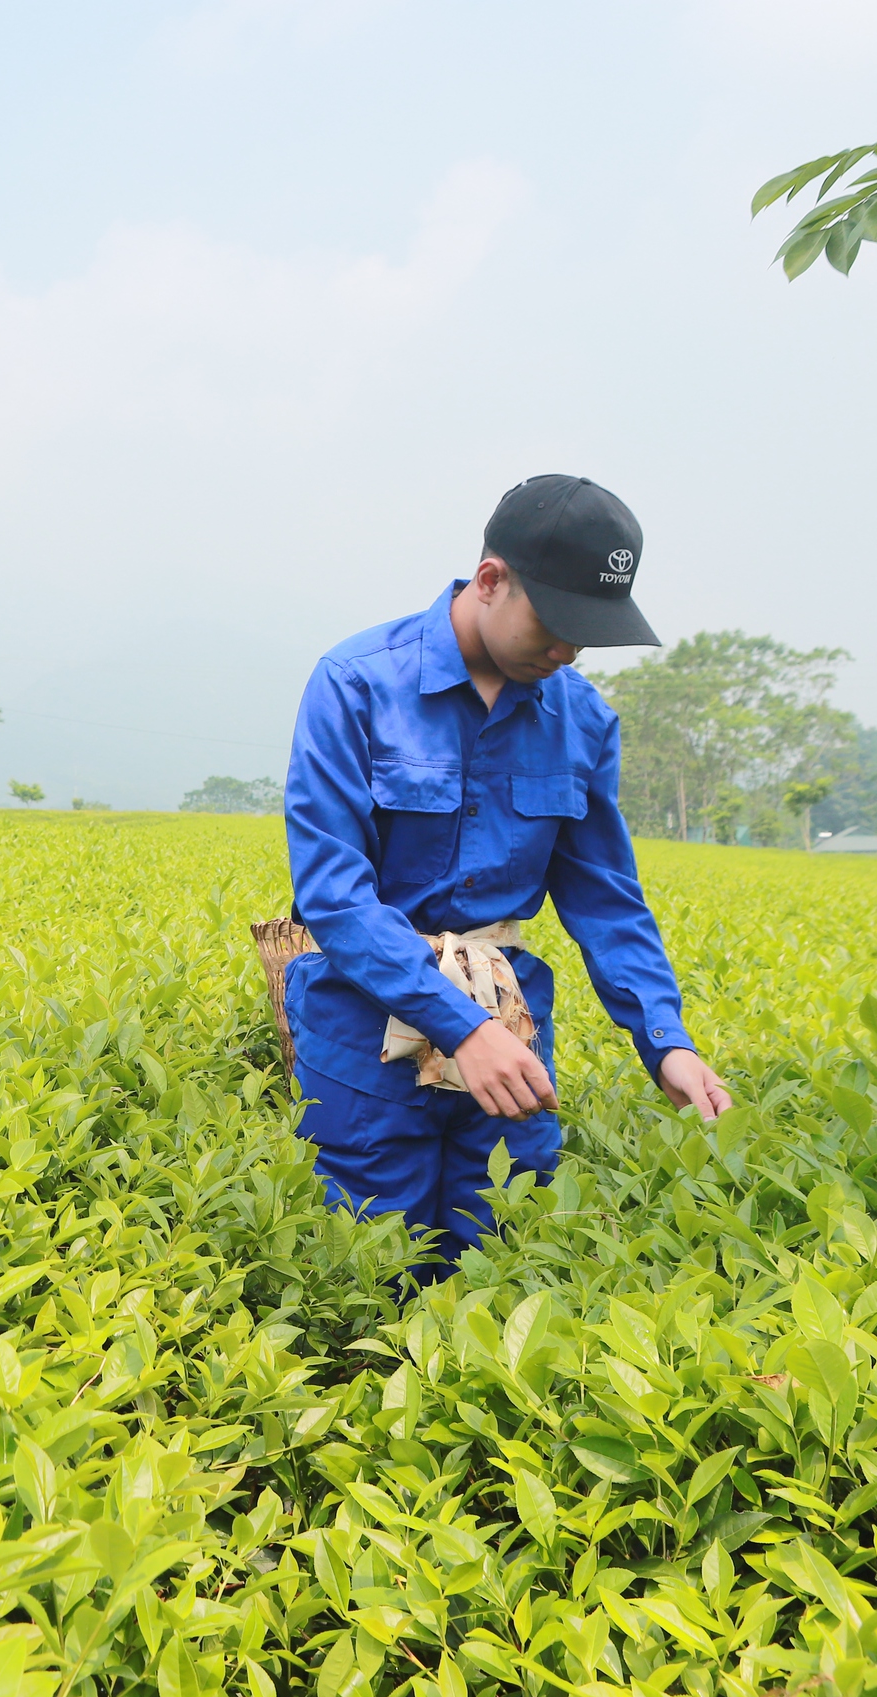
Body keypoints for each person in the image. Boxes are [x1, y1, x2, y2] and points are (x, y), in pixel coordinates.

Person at [283, 474, 730, 1277]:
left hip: (509, 1018)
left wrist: (664, 1038)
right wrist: (461, 1027)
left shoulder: (581, 718)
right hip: (364, 1026)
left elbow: (605, 896)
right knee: (374, 1264)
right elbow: (334, 896)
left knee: (500, 1247)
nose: (565, 651)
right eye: (554, 624)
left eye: (585, 636)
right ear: (491, 580)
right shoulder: (355, 684)